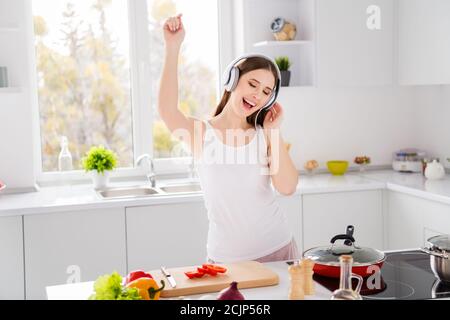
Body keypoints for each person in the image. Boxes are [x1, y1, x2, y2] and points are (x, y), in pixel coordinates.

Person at [158, 14, 300, 263]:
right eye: (252, 84)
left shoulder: (265, 134)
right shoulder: (202, 134)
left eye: (266, 92)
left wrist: (273, 131)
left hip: (278, 250)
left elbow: (287, 188)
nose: (257, 95)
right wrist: (173, 47)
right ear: (231, 81)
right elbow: (168, 111)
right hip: (226, 260)